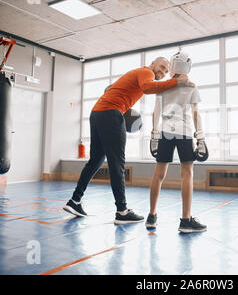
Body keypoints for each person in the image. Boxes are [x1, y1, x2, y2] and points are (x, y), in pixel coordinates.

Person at [63, 57, 195, 224]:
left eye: (165, 72)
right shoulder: (146, 72)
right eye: (161, 67)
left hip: (97, 113)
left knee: (96, 160)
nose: (162, 72)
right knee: (117, 163)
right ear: (153, 63)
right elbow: (148, 88)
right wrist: (177, 83)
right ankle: (122, 211)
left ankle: (75, 201)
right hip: (110, 113)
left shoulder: (137, 74)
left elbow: (112, 89)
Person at [147, 52, 207, 233]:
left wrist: (154, 135)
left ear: (172, 66)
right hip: (184, 133)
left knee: (158, 174)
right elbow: (196, 114)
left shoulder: (163, 86)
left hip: (166, 132)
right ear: (187, 67)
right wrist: (201, 138)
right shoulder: (191, 87)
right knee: (187, 174)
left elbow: (156, 112)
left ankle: (151, 216)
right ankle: (185, 220)